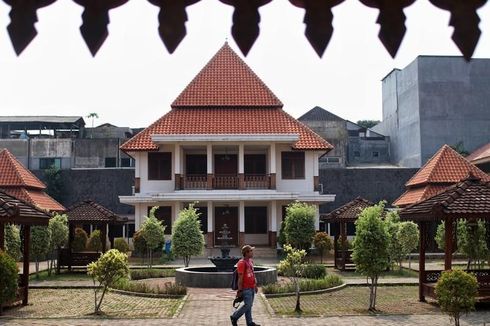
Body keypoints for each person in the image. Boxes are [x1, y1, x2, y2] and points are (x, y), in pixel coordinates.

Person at [230, 245, 260, 326]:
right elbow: (240, 278)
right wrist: (239, 290)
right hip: (245, 288)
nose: (252, 252)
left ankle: (249, 323)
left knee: (249, 306)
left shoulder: (250, 261)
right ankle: (234, 316)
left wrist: (255, 285)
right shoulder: (241, 263)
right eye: (251, 251)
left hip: (251, 287)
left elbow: (253, 274)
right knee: (248, 305)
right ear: (246, 253)